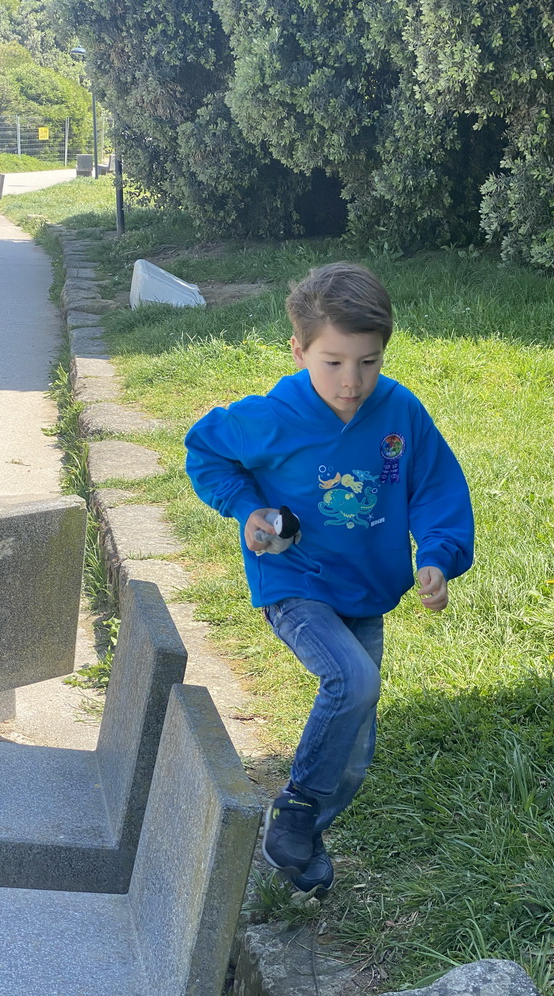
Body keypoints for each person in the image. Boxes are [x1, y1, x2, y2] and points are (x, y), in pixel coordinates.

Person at [185, 262, 474, 893]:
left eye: (368, 363)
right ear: (300, 349)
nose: (352, 382)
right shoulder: (272, 416)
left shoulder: (400, 412)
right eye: (334, 363)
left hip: (366, 591)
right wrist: (248, 510)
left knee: (354, 752)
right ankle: (294, 809)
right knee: (353, 678)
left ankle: (296, 838)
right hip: (295, 581)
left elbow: (435, 488)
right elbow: (206, 451)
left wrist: (438, 555)